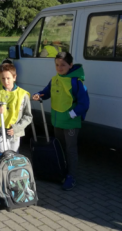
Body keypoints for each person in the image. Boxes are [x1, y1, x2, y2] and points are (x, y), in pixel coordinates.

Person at [32, 52, 90, 191]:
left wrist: (72, 113)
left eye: (63, 65)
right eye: (57, 65)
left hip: (70, 122)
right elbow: (46, 92)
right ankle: (61, 171)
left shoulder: (76, 82)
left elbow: (85, 103)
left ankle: (71, 176)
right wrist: (39, 94)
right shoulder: (55, 79)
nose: (59, 67)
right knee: (60, 147)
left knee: (70, 149)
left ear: (70, 65)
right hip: (57, 121)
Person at [0, 63, 33, 158]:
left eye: (8, 78)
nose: (6, 81)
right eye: (2, 78)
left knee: (13, 155)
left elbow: (28, 116)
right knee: (2, 155)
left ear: (14, 77)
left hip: (14, 132)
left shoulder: (23, 95)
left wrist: (16, 128)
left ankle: (13, 172)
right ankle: (3, 172)